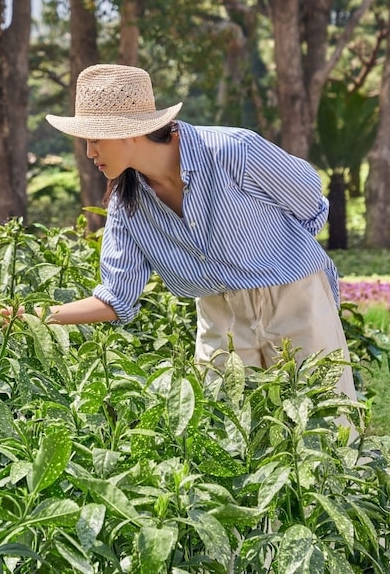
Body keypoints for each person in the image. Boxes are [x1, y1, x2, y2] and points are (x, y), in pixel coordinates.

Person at [24, 63, 356, 399]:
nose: (89, 153)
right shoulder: (127, 206)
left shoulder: (233, 152)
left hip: (293, 300)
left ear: (130, 131)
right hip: (219, 317)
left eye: (96, 140)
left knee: (326, 422)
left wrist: (281, 256)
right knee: (232, 438)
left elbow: (309, 199)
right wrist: (35, 315)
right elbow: (116, 298)